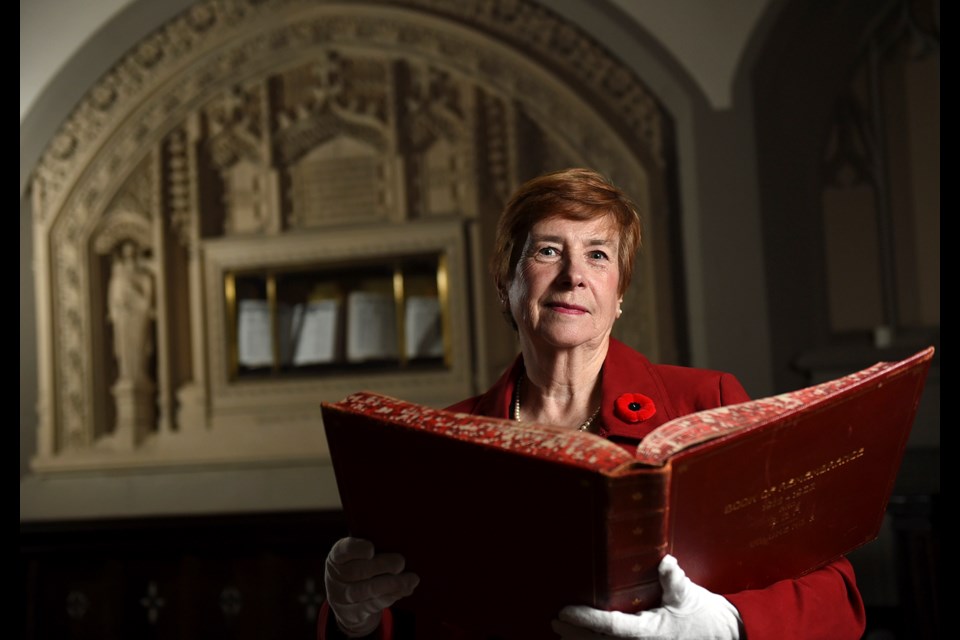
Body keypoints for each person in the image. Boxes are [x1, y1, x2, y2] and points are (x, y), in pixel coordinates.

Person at [320, 168, 866, 639]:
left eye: (598, 255)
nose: (574, 275)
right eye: (548, 250)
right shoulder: (441, 439)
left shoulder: (707, 402)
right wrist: (354, 618)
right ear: (506, 283)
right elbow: (413, 617)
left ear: (619, 294)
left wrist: (727, 625)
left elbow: (836, 597)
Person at [108, 240, 155, 384]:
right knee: (125, 353)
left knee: (139, 350)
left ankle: (140, 375)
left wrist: (134, 300)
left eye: (133, 255)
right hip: (124, 320)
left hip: (138, 319)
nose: (130, 259)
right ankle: (126, 376)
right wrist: (118, 310)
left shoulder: (145, 277)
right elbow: (113, 301)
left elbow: (147, 302)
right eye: (127, 255)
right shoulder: (118, 278)